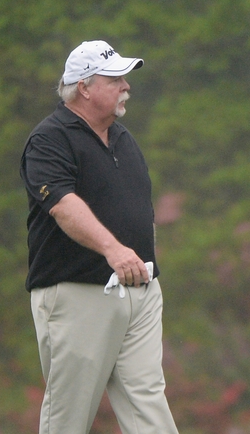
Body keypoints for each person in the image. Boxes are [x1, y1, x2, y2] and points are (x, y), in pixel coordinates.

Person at [20, 40, 178, 434]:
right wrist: (114, 250)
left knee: (149, 407)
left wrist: (144, 257)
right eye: (116, 79)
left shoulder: (122, 137)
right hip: (78, 292)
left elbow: (139, 206)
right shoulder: (50, 138)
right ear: (85, 87)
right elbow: (61, 204)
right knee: (68, 415)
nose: (127, 86)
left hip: (139, 291)